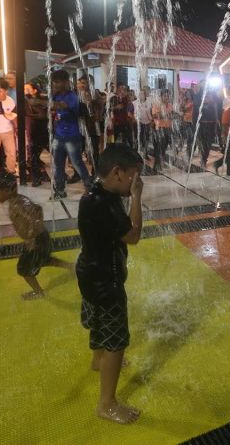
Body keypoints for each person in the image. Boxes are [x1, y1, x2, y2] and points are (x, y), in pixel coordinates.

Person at [76, 143, 144, 424]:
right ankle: (107, 404)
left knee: (98, 322)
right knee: (117, 341)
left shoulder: (96, 192)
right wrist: (137, 198)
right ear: (117, 172)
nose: (135, 182)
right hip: (106, 281)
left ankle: (96, 360)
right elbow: (134, 235)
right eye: (133, 176)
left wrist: (129, 189)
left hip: (89, 273)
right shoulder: (104, 203)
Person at [0, 173, 73, 300]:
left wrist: (31, 237)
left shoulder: (19, 204)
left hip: (37, 240)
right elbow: (36, 210)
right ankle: (71, 266)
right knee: (44, 259)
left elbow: (37, 215)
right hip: (40, 238)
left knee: (24, 269)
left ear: (9, 190)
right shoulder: (16, 201)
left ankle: (39, 292)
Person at [49, 70, 90, 199]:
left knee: (77, 163)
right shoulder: (55, 95)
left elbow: (63, 106)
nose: (55, 84)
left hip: (72, 136)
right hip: (59, 135)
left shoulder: (72, 96)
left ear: (66, 82)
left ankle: (89, 187)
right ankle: (60, 190)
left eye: (57, 81)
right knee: (58, 164)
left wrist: (46, 102)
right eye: (54, 81)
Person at [213, 87, 230, 179]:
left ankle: (218, 164)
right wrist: (225, 137)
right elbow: (224, 125)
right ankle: (229, 173)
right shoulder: (227, 112)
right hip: (229, 137)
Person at [151, 89, 173, 172]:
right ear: (161, 96)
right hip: (159, 128)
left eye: (168, 96)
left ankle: (160, 162)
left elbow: (171, 115)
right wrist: (165, 114)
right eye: (165, 96)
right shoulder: (157, 104)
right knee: (158, 147)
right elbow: (155, 115)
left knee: (164, 147)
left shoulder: (170, 105)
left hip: (168, 128)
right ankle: (156, 166)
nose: (166, 97)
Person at [134, 88, 153, 158]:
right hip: (139, 123)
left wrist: (151, 121)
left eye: (142, 94)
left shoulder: (149, 103)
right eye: (140, 94)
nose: (141, 95)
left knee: (146, 138)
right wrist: (136, 119)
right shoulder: (135, 103)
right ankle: (136, 152)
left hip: (147, 123)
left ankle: (145, 152)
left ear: (145, 95)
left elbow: (150, 113)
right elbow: (135, 113)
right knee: (139, 137)